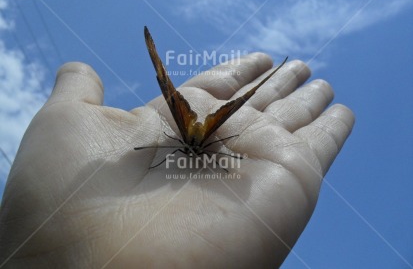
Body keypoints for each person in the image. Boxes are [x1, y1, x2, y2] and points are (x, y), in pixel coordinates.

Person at [0, 53, 354, 268]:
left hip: (202, 128)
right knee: (189, 102)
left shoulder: (192, 142)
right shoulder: (183, 143)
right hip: (193, 129)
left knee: (225, 110)